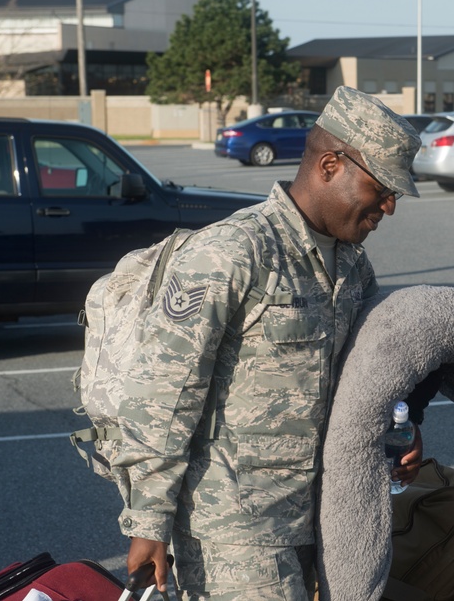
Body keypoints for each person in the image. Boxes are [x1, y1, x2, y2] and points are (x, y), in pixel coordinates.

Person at [112, 86, 424, 600]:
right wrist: (148, 520)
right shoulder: (233, 253)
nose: (390, 207)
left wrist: (402, 429)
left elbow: (369, 374)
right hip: (237, 531)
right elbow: (162, 396)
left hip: (322, 519)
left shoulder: (353, 265)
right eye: (383, 188)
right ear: (329, 165)